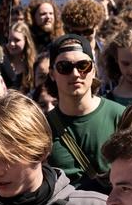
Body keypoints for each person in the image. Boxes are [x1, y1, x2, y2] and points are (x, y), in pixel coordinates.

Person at [45, 34, 124, 191]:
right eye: (64, 67)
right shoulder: (43, 126)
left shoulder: (120, 116)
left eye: (83, 66)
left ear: (94, 70)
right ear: (52, 74)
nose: (75, 74)